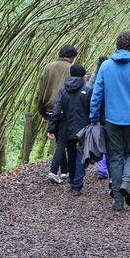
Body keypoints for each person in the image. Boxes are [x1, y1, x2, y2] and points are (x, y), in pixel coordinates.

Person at [89, 31, 130, 211]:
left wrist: (94, 118)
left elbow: (97, 95)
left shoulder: (106, 66)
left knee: (115, 157)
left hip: (112, 119)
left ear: (117, 45)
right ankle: (127, 182)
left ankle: (117, 198)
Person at [47, 65, 91, 194]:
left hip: (66, 128)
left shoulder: (62, 91)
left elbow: (56, 110)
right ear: (83, 76)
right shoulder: (87, 90)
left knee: (71, 153)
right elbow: (92, 111)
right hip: (83, 128)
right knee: (80, 155)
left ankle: (73, 181)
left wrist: (52, 128)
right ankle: (77, 184)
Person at [38, 44, 77, 183]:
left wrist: (42, 111)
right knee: (62, 141)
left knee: (60, 138)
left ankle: (65, 171)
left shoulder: (48, 67)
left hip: (49, 107)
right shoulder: (72, 69)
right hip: (64, 109)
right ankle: (53, 171)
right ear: (72, 57)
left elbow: (41, 89)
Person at [88, 56, 109, 180]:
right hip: (107, 111)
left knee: (100, 139)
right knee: (108, 140)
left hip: (98, 111)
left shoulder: (94, 76)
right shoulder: (110, 74)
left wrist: (93, 115)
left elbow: (91, 93)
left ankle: (101, 167)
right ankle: (104, 167)